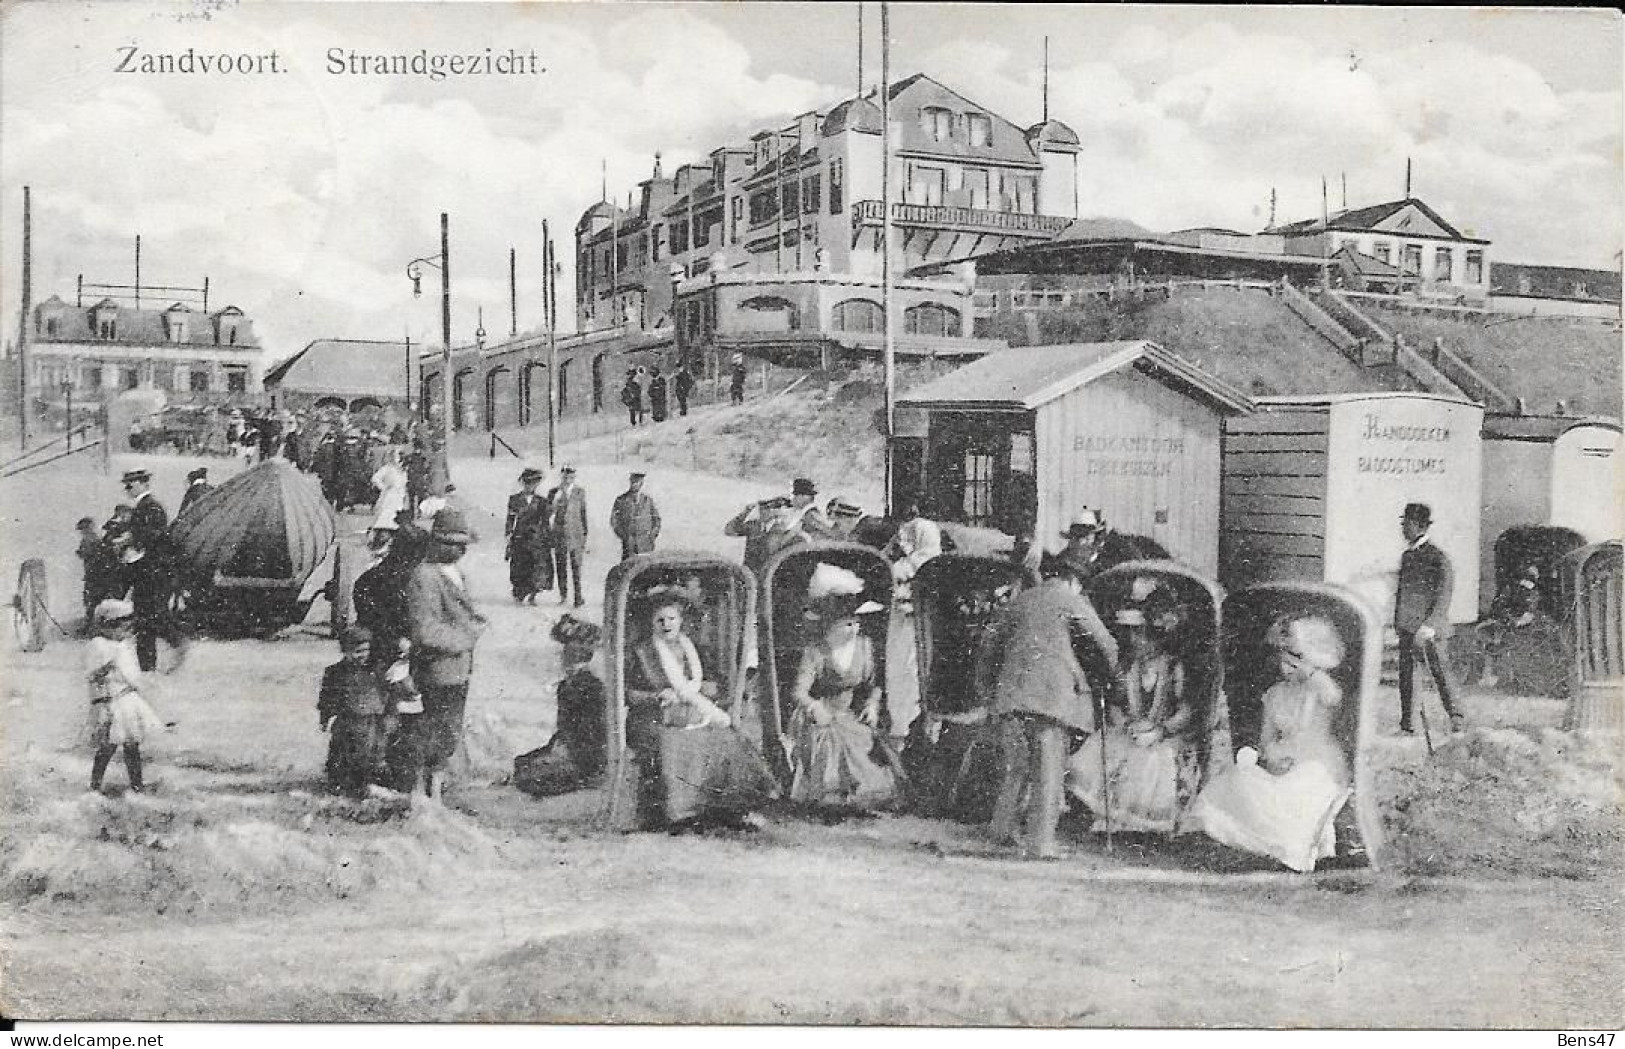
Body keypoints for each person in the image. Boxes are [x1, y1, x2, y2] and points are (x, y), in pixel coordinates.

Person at [1181, 615, 1351, 873]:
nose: (1287, 667)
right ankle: (1249, 845)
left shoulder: (1321, 690)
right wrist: (1272, 758)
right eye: (1283, 661)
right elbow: (1266, 740)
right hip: (1284, 756)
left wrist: (1312, 671)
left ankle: (1290, 848)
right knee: (1241, 778)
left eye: (1295, 660)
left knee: (1297, 790)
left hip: (1318, 760)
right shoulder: (1275, 694)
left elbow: (1333, 697)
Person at [981, 544, 1119, 859]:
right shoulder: (1073, 602)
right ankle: (1040, 844)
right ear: (1075, 579)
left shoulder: (1021, 600)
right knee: (1048, 771)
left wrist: (989, 688)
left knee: (1015, 767)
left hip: (1011, 695)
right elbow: (1107, 646)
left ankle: (1001, 831)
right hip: (1051, 700)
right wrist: (1105, 677)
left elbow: (989, 643)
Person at [622, 585, 775, 829]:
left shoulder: (692, 648)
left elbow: (715, 684)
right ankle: (681, 813)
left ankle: (732, 806)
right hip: (653, 717)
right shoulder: (641, 653)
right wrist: (656, 696)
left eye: (671, 618)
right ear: (651, 623)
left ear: (681, 620)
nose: (666, 624)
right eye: (659, 620)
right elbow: (628, 694)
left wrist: (704, 688)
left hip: (696, 712)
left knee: (728, 738)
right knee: (673, 743)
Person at [1066, 582, 1198, 833]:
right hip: (1131, 729)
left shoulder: (1172, 668)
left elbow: (1186, 711)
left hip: (1161, 734)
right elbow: (1116, 705)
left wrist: (1159, 731)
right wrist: (1126, 724)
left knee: (1151, 761)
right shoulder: (1128, 668)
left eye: (1142, 635)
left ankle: (1138, 825)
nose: (1136, 641)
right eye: (1133, 635)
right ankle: (1108, 818)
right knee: (1104, 748)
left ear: (1157, 638)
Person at [786, 563, 899, 812]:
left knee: (866, 742)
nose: (855, 629)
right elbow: (798, 691)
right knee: (832, 741)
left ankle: (866, 796)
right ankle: (832, 796)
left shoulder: (864, 646)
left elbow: (874, 684)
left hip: (849, 713)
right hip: (820, 714)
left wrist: (872, 703)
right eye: (847, 624)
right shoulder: (816, 651)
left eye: (857, 623)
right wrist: (814, 707)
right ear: (831, 625)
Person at [403, 508, 488, 801]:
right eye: (452, 543)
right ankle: (427, 792)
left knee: (448, 733)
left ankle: (437, 790)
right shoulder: (424, 576)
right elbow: (426, 631)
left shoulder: (456, 573)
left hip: (458, 669)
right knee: (439, 734)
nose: (460, 550)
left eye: (463, 544)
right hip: (437, 670)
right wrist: (468, 637)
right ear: (436, 542)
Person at [515, 614, 609, 797]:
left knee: (530, 776)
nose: (562, 658)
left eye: (567, 654)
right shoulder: (567, 685)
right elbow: (565, 725)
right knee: (522, 763)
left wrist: (567, 748)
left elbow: (594, 730)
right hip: (572, 747)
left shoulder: (592, 686)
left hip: (586, 754)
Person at [1395, 502, 1464, 735]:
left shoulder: (1438, 558)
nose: (1403, 528)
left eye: (1406, 524)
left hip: (1429, 630)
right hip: (1408, 629)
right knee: (1407, 678)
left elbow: (1444, 593)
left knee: (1441, 674)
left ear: (1418, 526)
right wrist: (1400, 624)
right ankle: (1408, 726)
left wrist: (1430, 625)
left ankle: (1458, 720)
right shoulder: (1407, 556)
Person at [84, 599, 164, 794]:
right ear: (107, 626)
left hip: (128, 701)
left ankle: (137, 784)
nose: (126, 632)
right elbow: (92, 675)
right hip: (111, 701)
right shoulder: (98, 645)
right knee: (107, 746)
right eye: (121, 627)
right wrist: (105, 668)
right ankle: (95, 784)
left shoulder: (124, 645)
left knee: (132, 744)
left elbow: (132, 673)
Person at [884, 503, 941, 748]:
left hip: (913, 622)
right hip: (915, 622)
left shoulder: (909, 564)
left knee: (909, 670)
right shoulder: (936, 563)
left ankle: (908, 728)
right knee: (908, 670)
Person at [120, 470, 186, 673]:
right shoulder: (144, 507)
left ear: (142, 484)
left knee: (149, 619)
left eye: (130, 485)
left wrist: (133, 546)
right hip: (149, 572)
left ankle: (173, 646)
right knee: (147, 620)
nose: (127, 489)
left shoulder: (150, 507)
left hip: (152, 573)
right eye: (126, 485)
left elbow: (155, 538)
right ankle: (149, 665)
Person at [318, 626, 389, 797]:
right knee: (341, 751)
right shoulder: (335, 672)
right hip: (347, 720)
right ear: (345, 651)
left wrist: (387, 714)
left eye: (365, 650)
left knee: (372, 753)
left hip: (372, 720)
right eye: (356, 651)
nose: (362, 655)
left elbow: (388, 693)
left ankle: (368, 783)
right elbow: (327, 696)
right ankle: (339, 782)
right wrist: (325, 716)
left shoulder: (377, 669)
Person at [504, 467, 553, 604]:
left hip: (536, 538)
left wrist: (547, 537)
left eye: (533, 483)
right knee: (519, 566)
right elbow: (510, 519)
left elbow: (546, 521)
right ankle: (519, 593)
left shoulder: (542, 501)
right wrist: (508, 533)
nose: (530, 486)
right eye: (527, 483)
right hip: (520, 537)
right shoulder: (514, 499)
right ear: (523, 483)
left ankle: (533, 595)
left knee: (536, 566)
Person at [549, 466, 589, 608]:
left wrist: (584, 535)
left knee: (576, 567)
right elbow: (549, 514)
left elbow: (583, 514)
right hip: (559, 535)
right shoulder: (554, 492)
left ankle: (578, 597)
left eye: (570, 477)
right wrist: (555, 501)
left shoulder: (579, 492)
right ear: (561, 477)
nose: (567, 480)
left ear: (574, 478)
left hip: (575, 536)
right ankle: (563, 596)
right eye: (565, 477)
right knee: (561, 567)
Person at [610, 471, 661, 561]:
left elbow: (656, 520)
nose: (634, 484)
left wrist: (651, 536)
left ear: (641, 483)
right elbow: (614, 521)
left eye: (637, 482)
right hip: (629, 546)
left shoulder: (648, 500)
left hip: (646, 545)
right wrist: (625, 536)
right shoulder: (621, 500)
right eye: (633, 482)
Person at [75, 517, 111, 625]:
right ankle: (91, 623)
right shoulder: (89, 540)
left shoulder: (94, 540)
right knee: (91, 600)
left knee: (94, 600)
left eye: (84, 529)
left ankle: (93, 624)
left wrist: (83, 553)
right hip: (92, 574)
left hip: (96, 575)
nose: (83, 532)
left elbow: (95, 555)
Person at [371, 448, 410, 525]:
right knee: (385, 516)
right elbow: (375, 478)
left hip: (399, 497)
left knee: (397, 516)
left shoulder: (403, 470)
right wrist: (384, 487)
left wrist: (405, 496)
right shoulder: (387, 468)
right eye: (398, 456)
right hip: (389, 496)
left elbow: (403, 484)